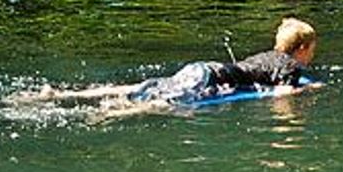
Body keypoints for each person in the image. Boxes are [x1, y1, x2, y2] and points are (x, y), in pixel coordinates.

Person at [26, 17, 322, 111]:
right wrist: (307, 91)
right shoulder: (291, 67)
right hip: (211, 81)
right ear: (303, 48)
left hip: (201, 68)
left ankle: (65, 94)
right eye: (312, 50)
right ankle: (114, 114)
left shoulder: (265, 56)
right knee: (160, 103)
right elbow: (282, 98)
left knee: (143, 87)